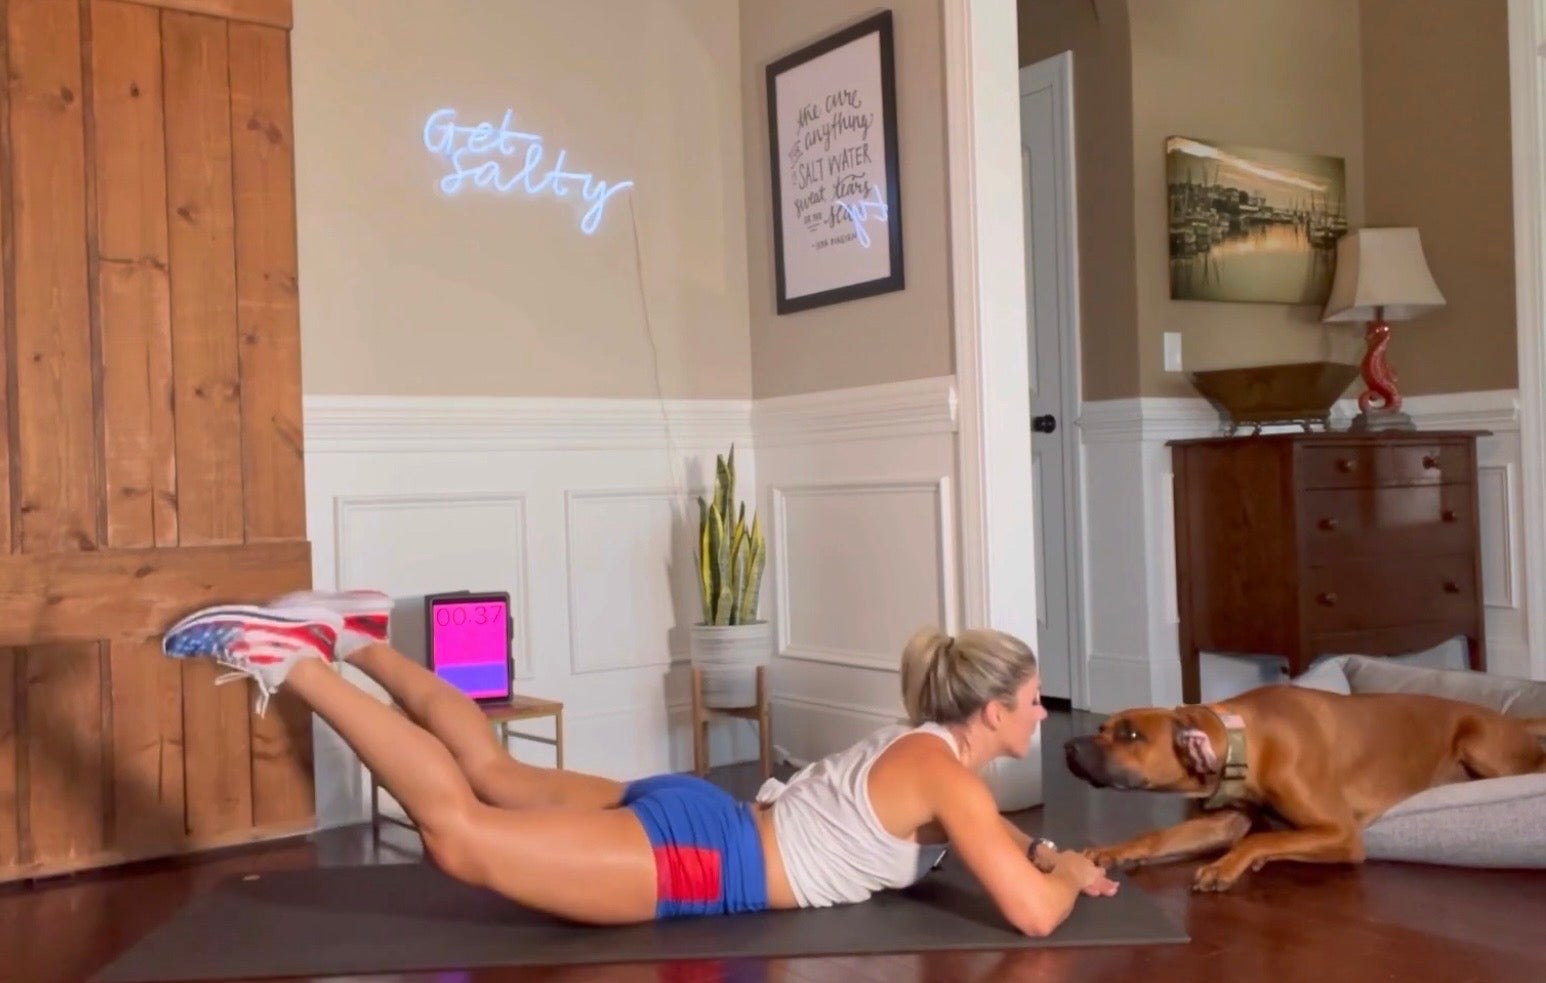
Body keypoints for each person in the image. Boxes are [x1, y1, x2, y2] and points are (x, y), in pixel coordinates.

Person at [161, 593, 1118, 935]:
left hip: (707, 814)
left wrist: (1037, 851)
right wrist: (1069, 874)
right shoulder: (949, 776)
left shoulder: (925, 746)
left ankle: (358, 635)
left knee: (492, 772)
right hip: (708, 861)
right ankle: (291, 658)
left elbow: (986, 841)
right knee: (459, 835)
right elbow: (1033, 917)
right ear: (993, 711)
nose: (1043, 711)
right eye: (1034, 698)